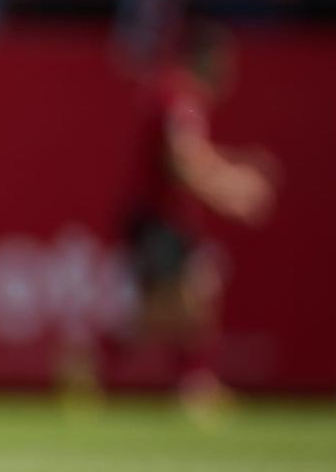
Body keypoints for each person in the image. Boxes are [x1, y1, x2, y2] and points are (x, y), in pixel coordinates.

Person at [87, 24, 276, 414]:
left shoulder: (177, 96)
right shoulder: (176, 96)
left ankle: (190, 384)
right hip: (158, 219)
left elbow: (193, 155)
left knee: (189, 298)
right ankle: (99, 370)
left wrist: (232, 171)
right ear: (205, 59)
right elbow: (182, 162)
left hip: (169, 218)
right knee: (168, 307)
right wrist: (234, 191)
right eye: (224, 63)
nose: (229, 73)